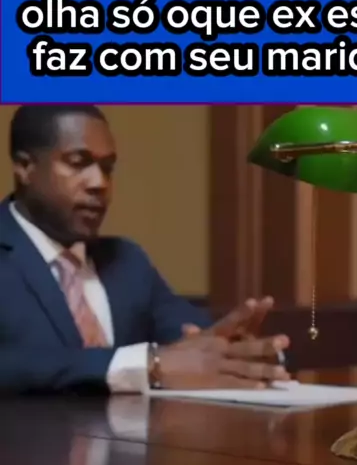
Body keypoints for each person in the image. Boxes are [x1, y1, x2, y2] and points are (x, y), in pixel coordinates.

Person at [0, 104, 290, 394]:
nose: (99, 183)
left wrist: (236, 351)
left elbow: (190, 338)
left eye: (107, 168)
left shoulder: (126, 262)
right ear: (25, 167)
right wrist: (147, 365)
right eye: (78, 163)